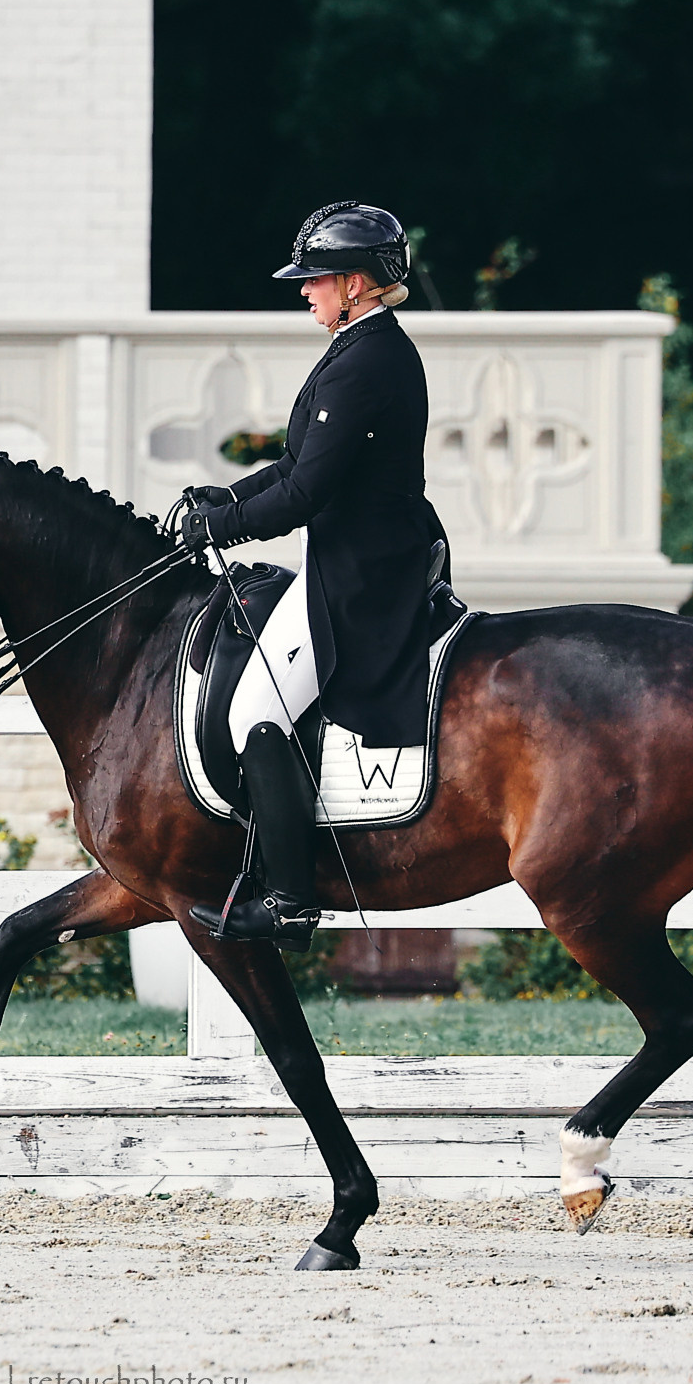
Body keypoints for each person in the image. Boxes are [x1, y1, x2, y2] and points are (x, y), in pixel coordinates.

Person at [174, 201, 449, 947]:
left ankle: (290, 898)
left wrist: (221, 527)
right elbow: (297, 465)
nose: (305, 290)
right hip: (356, 558)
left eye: (316, 278)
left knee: (255, 709)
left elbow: (306, 495)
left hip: (362, 578)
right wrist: (226, 498)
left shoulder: (368, 360)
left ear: (356, 283)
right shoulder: (361, 347)